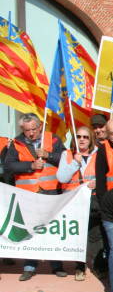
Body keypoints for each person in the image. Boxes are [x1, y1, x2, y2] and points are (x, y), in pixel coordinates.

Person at [4, 113, 66, 280]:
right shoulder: (17, 143)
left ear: (40, 127)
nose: (31, 133)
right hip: (28, 194)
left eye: (33, 129)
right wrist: (30, 165)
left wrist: (49, 155)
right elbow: (8, 166)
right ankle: (29, 266)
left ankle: (56, 265)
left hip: (51, 191)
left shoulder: (53, 139)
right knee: (29, 231)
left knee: (52, 229)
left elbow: (66, 159)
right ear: (22, 130)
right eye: (27, 130)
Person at [56, 126, 101, 281]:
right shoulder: (67, 155)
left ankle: (96, 265)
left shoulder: (98, 154)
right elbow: (62, 177)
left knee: (95, 234)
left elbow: (105, 175)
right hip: (74, 201)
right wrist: (75, 163)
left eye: (85, 137)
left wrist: (98, 183)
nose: (82, 139)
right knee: (78, 236)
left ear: (91, 140)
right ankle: (79, 267)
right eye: (79, 136)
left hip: (94, 199)